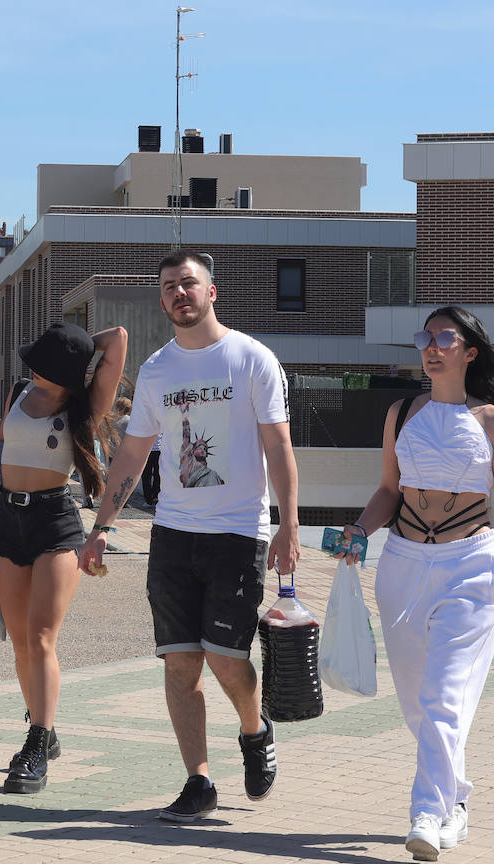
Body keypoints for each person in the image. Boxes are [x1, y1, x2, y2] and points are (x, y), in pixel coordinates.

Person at [80, 249, 300, 823]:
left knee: (228, 661)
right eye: (169, 288)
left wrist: (288, 525)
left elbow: (278, 445)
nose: (179, 293)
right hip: (174, 535)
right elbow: (133, 452)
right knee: (180, 664)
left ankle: (255, 731)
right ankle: (198, 782)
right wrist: (101, 526)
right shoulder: (156, 370)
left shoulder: (251, 359)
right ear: (162, 301)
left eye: (189, 284)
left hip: (237, 533)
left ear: (211, 292)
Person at [333, 305, 494, 862]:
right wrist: (359, 528)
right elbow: (388, 490)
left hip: (471, 567)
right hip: (402, 565)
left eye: (443, 338)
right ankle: (454, 800)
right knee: (415, 703)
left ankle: (426, 813)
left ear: (468, 352)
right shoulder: (401, 413)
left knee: (442, 695)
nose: (430, 346)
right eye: (424, 337)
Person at [0, 322, 127, 793]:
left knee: (42, 637)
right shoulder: (18, 391)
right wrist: (62, 351)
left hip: (55, 523)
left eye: (44, 358)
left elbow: (118, 340)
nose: (33, 364)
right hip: (7, 520)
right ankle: (43, 728)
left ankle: (36, 742)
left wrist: (74, 348)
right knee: (19, 644)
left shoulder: (82, 406)